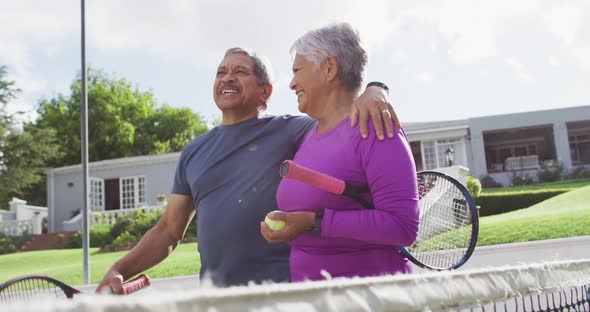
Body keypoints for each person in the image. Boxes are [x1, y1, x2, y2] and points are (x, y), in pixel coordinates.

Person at [96, 47, 399, 291]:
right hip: (218, 298)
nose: (227, 78)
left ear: (265, 91)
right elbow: (169, 230)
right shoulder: (193, 151)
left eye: (240, 72)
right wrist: (119, 270)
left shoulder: (291, 130)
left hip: (284, 294)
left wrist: (376, 89)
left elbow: (344, 121)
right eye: (221, 72)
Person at [260, 23, 419, 282]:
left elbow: (403, 227)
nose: (291, 84)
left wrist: (315, 221)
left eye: (297, 71)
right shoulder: (310, 135)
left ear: (329, 68)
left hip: (374, 297)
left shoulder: (375, 129)